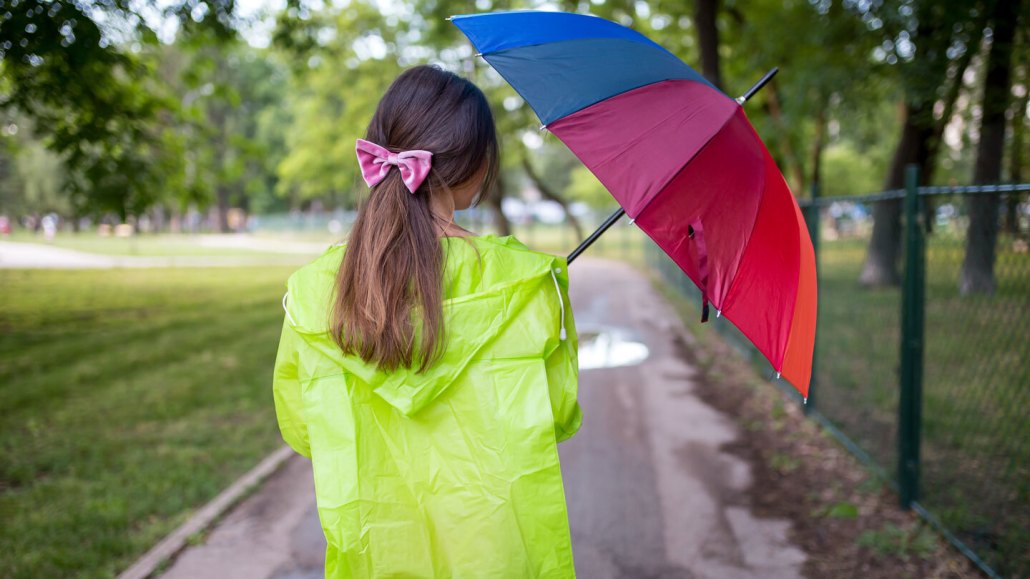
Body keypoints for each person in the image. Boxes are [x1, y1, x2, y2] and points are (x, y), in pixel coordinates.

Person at [272, 64, 582, 578]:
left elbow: (302, 427)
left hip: (378, 552)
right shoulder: (528, 282)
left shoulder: (313, 290)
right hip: (500, 550)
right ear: (477, 163)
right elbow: (559, 414)